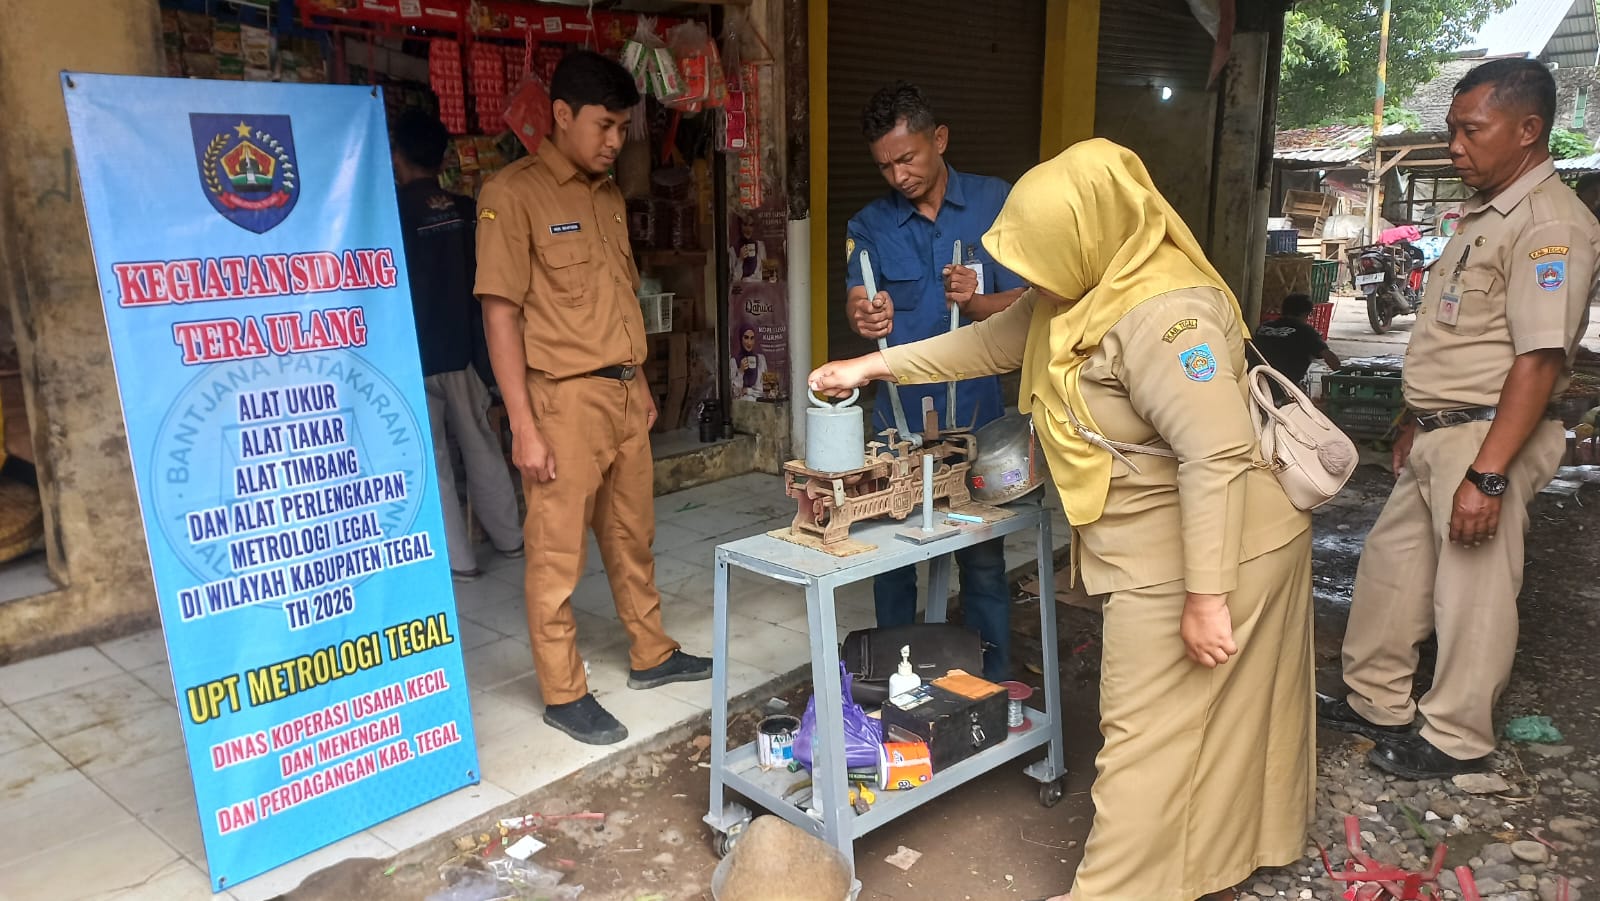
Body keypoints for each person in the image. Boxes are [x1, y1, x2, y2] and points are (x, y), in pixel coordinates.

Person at [810, 139, 1315, 901]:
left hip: (1220, 545)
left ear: (1092, 232)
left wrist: (1207, 597)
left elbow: (1216, 458)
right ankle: (1220, 856)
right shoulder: (1077, 293)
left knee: (1146, 730)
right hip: (1160, 540)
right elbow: (985, 340)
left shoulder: (1166, 316)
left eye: (1043, 259)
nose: (1032, 281)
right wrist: (871, 365)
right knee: (1211, 716)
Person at [1317, 58, 1600, 779]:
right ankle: (1377, 698)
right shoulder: (1486, 213)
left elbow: (1537, 359)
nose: (1455, 146)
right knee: (1392, 568)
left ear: (1529, 130)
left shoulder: (1550, 225)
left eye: (1472, 130)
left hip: (1488, 434)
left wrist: (1490, 472)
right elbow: (1458, 337)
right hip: (1446, 428)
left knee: (1471, 592)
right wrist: (1418, 417)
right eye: (1451, 130)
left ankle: (1457, 734)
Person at [474, 51, 711, 746]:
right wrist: (523, 423)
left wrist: (637, 379)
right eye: (605, 126)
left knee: (632, 534)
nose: (616, 141)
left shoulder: (607, 195)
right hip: (561, 401)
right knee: (555, 555)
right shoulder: (512, 194)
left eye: (623, 127)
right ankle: (562, 690)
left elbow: (617, 295)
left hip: (618, 392)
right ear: (562, 116)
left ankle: (651, 652)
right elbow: (500, 315)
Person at [844, 83, 1028, 681]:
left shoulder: (993, 202)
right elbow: (858, 293)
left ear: (939, 139)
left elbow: (1033, 303)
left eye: (908, 158)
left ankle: (992, 682)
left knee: (982, 560)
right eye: (885, 165)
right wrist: (863, 313)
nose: (897, 175)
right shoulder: (869, 224)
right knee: (892, 562)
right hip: (896, 426)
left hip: (973, 423)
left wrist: (978, 303)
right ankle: (895, 689)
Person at [390, 109, 524, 582]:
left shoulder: (391, 215)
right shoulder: (467, 212)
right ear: (444, 157)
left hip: (411, 356)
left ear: (397, 157)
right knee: (483, 448)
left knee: (434, 463)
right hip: (464, 352)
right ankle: (511, 539)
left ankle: (459, 561)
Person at [1254, 292, 1340, 389]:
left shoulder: (1263, 327)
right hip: (1285, 388)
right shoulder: (1305, 331)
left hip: (1255, 382)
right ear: (1305, 314)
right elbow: (1332, 361)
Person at [731, 325, 768, 400]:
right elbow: (734, 394)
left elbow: (766, 391)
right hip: (741, 407)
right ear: (741, 339)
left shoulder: (761, 359)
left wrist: (748, 391)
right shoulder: (734, 361)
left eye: (752, 338)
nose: (749, 342)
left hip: (759, 406)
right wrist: (741, 371)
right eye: (746, 337)